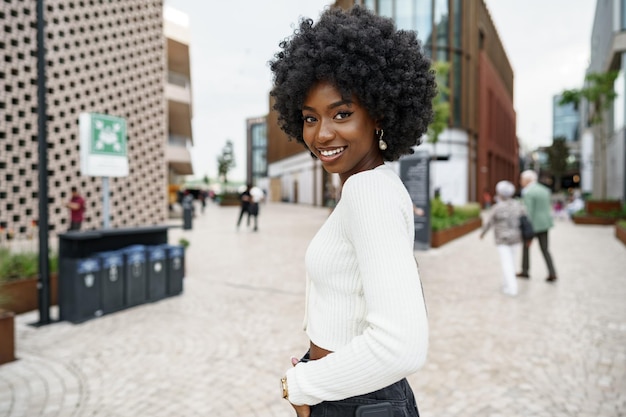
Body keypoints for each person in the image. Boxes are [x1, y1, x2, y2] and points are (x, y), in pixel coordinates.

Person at [270, 5, 435, 416]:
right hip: (353, 391)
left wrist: (302, 383)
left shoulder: (369, 192)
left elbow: (402, 347)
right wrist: (315, 363)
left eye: (341, 113)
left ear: (378, 113)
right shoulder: (369, 186)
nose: (322, 134)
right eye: (310, 118)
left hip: (355, 402)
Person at [479, 181, 526, 296]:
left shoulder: (497, 207)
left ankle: (512, 287)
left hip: (503, 239)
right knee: (511, 262)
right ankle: (506, 285)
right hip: (515, 238)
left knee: (507, 263)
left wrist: (482, 233)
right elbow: (525, 220)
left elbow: (489, 222)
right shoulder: (518, 205)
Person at [517, 170, 558, 282]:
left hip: (533, 225)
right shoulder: (545, 190)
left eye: (521, 179)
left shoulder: (529, 192)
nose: (520, 182)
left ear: (527, 180)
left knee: (526, 247)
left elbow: (527, 211)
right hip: (544, 224)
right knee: (545, 249)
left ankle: (525, 270)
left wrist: (525, 227)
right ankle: (552, 272)